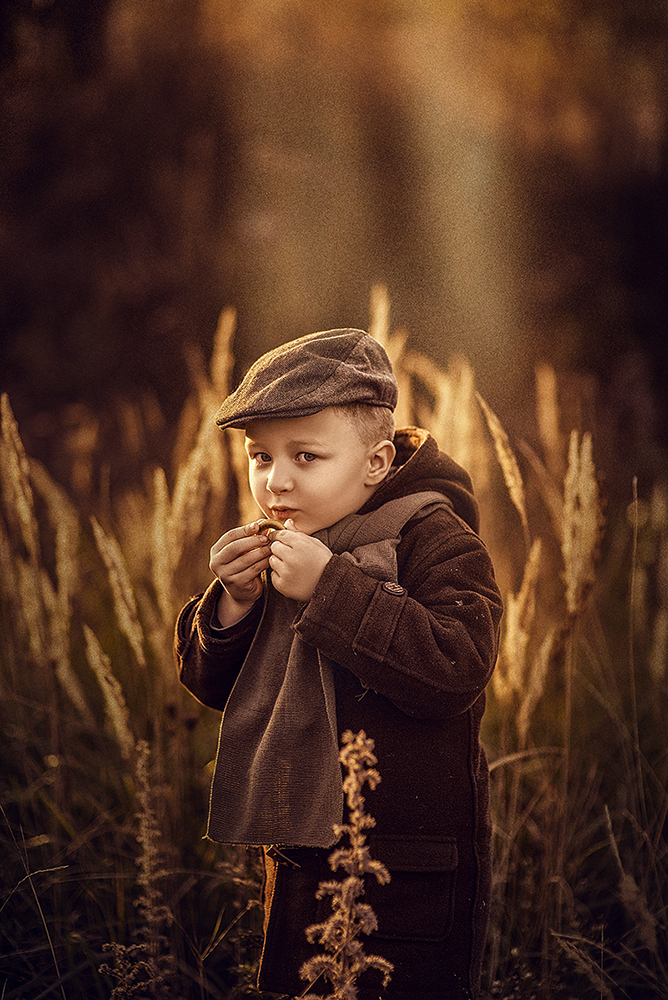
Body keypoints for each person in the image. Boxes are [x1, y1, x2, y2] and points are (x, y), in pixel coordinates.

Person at [174, 328, 503, 1000]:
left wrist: (331, 589)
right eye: (260, 457)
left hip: (405, 878)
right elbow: (212, 685)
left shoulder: (434, 537)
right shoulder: (290, 544)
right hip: (301, 866)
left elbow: (457, 665)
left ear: (377, 462)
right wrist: (232, 606)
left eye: (306, 456)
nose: (278, 479)